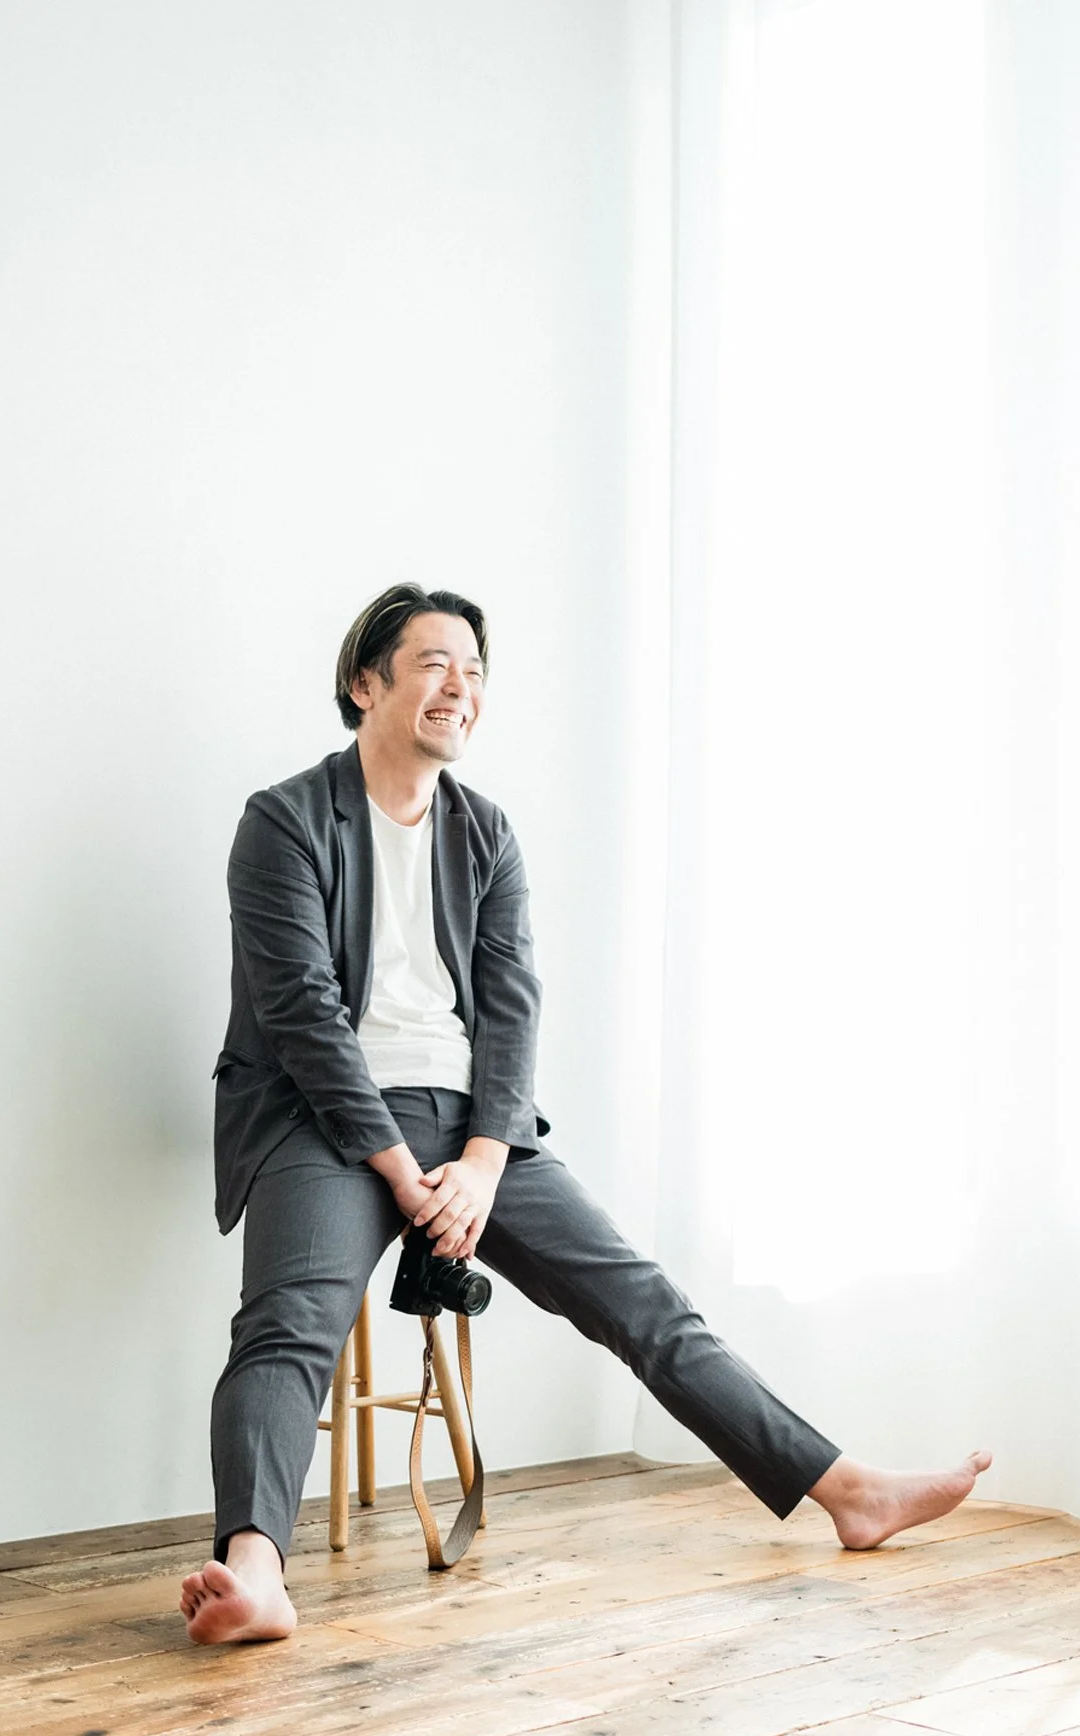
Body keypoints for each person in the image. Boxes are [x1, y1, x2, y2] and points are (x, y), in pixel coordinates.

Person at [181, 583, 990, 1643]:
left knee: (642, 1301)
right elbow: (301, 1016)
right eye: (432, 662)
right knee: (288, 1326)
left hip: (471, 1124)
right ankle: (254, 1573)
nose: (458, 685)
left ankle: (848, 1490)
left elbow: (512, 1010)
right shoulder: (285, 820)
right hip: (322, 1121)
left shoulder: (488, 834)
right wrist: (394, 1167)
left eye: (472, 668)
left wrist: (478, 1162)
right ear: (363, 683)